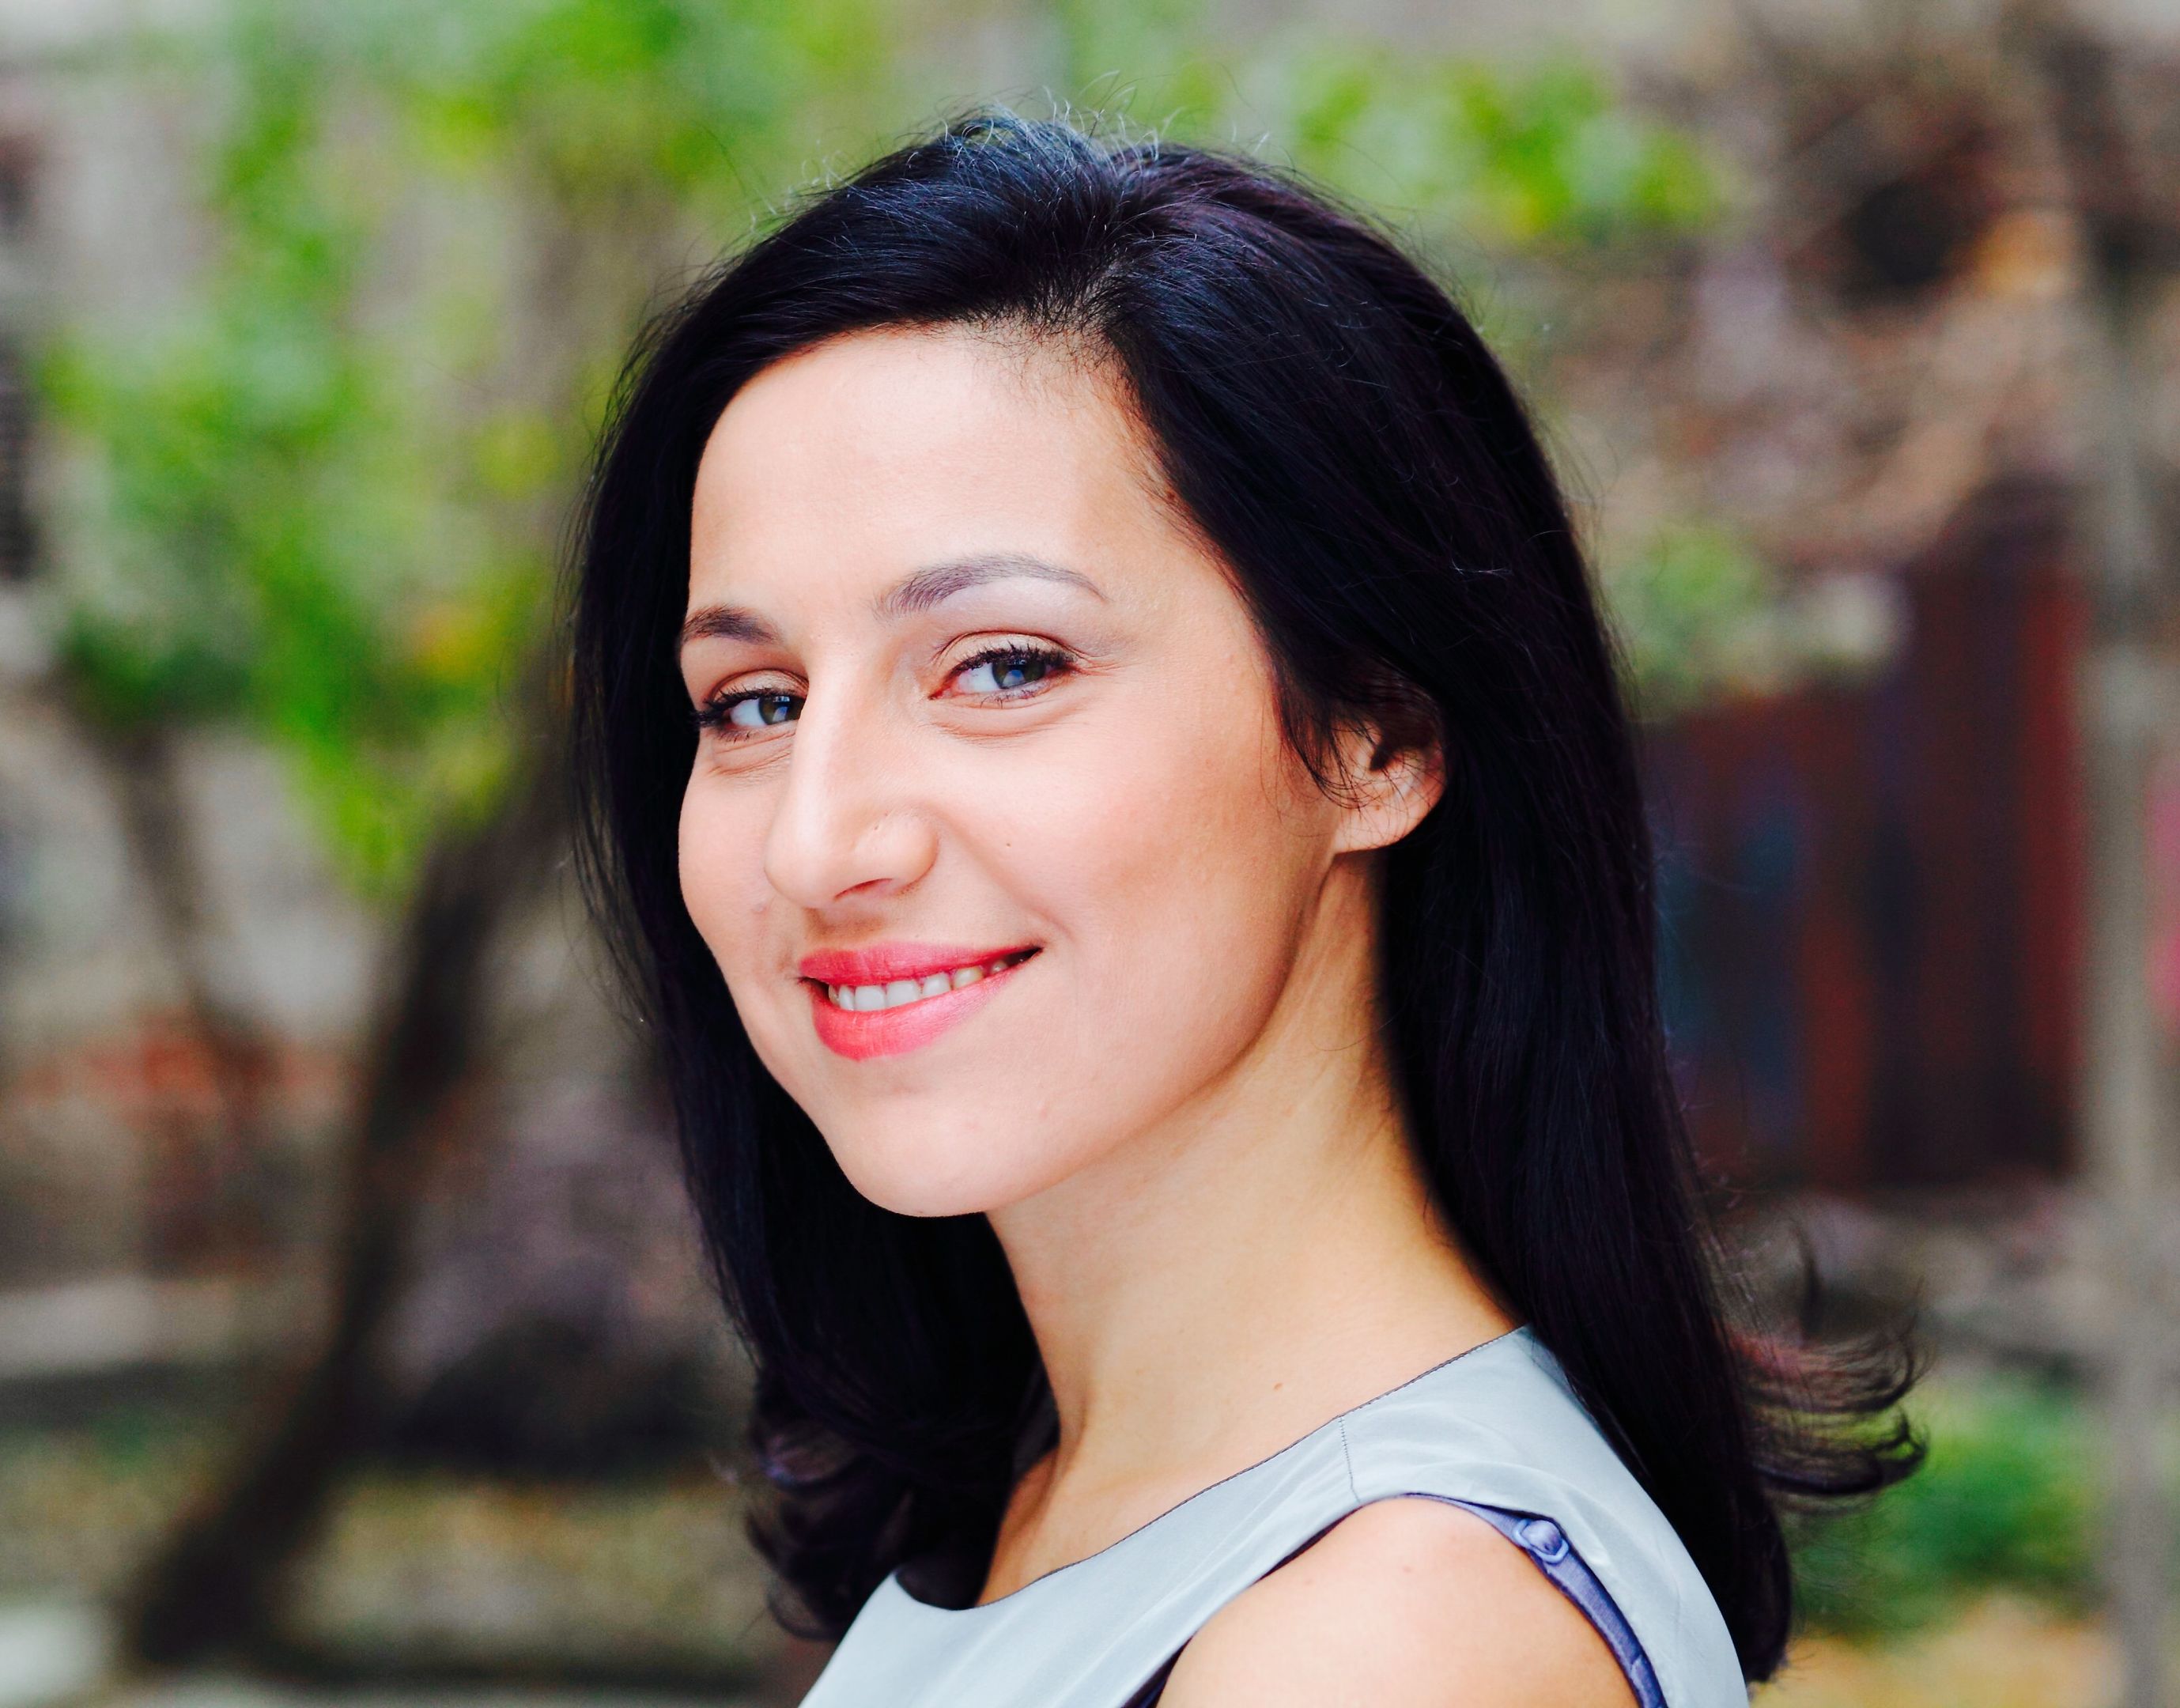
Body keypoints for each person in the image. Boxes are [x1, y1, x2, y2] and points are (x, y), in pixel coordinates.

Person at [568, 112, 1916, 1707]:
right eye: (755, 701)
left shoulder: (1385, 1642)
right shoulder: (1069, 1498)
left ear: (1372, 738)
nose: (816, 842)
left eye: (1003, 667)